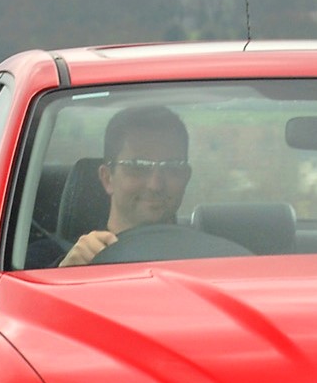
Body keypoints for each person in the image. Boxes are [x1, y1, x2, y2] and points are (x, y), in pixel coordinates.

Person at [28, 104, 193, 268]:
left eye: (172, 167)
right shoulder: (42, 260)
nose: (155, 185)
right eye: (138, 166)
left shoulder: (212, 256)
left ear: (186, 177)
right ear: (107, 178)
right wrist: (64, 274)